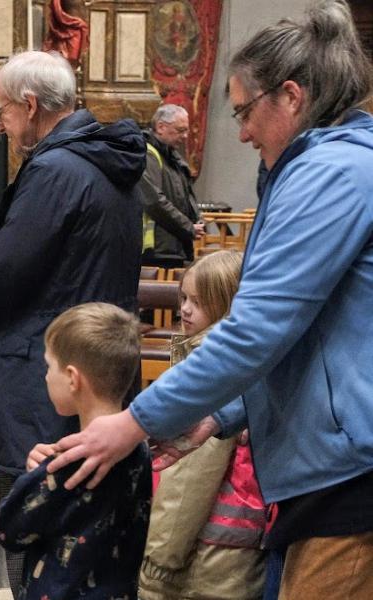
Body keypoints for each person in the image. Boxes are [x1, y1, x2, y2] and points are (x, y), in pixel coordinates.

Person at [46, 2, 373, 597]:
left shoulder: (331, 171)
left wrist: (134, 421)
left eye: (245, 111)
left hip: (350, 478)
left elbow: (258, 330)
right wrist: (218, 414)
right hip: (334, 471)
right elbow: (313, 337)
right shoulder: (330, 164)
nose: (241, 131)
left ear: (292, 97)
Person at [0, 49, 146, 594]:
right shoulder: (111, 162)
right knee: (84, 540)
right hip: (91, 371)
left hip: (37, 381)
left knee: (32, 535)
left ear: (32, 105)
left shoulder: (54, 168)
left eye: (1, 113)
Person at [0, 303, 151, 599]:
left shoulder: (71, 459)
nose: (45, 376)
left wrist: (35, 476)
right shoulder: (139, 448)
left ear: (72, 377)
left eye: (48, 366)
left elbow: (10, 530)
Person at [139, 251, 266, 600]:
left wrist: (156, 568)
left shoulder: (210, 376)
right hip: (236, 547)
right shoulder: (250, 364)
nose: (185, 310)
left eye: (199, 301)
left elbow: (188, 482)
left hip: (205, 555)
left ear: (229, 306)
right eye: (183, 298)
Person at [139, 104, 205, 269]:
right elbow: (154, 201)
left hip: (174, 245)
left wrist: (197, 218)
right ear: (161, 127)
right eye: (180, 130)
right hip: (156, 249)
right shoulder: (148, 153)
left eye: (186, 130)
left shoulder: (172, 156)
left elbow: (184, 195)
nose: (185, 136)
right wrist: (188, 227)